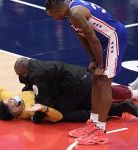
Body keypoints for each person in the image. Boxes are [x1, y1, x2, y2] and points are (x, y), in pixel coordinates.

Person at [45, 0, 128, 144]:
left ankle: (100, 131)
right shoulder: (68, 13)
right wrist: (92, 59)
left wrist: (100, 65)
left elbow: (93, 38)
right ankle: (93, 123)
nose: (53, 19)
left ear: (58, 10)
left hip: (113, 38)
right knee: (95, 80)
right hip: (102, 40)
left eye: (52, 15)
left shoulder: (76, 12)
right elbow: (82, 36)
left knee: (104, 82)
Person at [14, 57, 138, 121]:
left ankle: (94, 116)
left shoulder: (37, 75)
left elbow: (43, 101)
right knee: (90, 104)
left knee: (62, 112)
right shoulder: (36, 65)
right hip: (84, 78)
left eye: (22, 75)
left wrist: (35, 118)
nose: (22, 78)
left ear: (25, 70)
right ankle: (123, 107)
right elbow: (33, 85)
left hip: (77, 86)